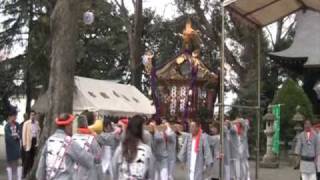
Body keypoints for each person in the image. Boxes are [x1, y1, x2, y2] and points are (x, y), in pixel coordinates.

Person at [36, 113, 99, 180]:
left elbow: (41, 168)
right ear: (67, 126)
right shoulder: (70, 143)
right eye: (71, 124)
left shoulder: (49, 141)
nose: (72, 127)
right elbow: (87, 160)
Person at [112, 115, 155, 180]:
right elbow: (151, 174)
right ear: (140, 131)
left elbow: (114, 169)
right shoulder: (147, 150)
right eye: (144, 129)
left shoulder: (120, 149)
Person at [72, 115, 103, 180]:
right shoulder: (92, 140)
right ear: (86, 124)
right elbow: (99, 158)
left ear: (77, 125)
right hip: (89, 175)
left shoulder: (71, 140)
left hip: (75, 175)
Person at [5, 107, 23, 180]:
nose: (15, 117)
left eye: (16, 115)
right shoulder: (7, 126)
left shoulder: (18, 125)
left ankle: (19, 178)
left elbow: (20, 134)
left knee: (19, 163)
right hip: (10, 148)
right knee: (10, 164)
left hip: (17, 147)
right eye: (14, 115)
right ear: (10, 116)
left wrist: (16, 135)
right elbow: (8, 137)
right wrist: (14, 136)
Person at [22, 110, 41, 177]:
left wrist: (37, 141)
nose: (32, 116)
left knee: (32, 158)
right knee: (27, 157)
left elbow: (38, 130)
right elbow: (23, 134)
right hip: (28, 141)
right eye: (31, 115)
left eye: (34, 115)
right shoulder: (26, 123)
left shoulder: (37, 123)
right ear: (30, 116)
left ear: (35, 116)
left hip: (34, 141)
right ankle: (24, 173)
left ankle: (30, 172)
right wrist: (24, 143)